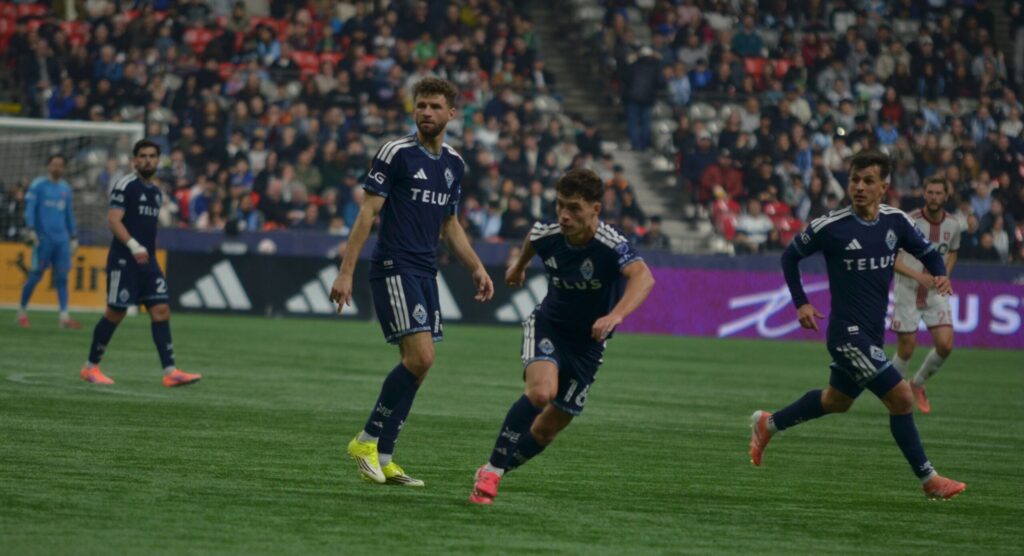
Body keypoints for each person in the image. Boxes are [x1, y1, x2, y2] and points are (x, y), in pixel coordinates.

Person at [749, 150, 966, 500]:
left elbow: (927, 252)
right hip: (846, 335)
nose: (860, 187)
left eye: (868, 181)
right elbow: (790, 257)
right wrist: (801, 302)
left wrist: (939, 274)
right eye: (854, 180)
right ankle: (929, 480)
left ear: (884, 186)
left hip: (871, 334)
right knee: (901, 396)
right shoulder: (830, 226)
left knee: (836, 401)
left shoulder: (895, 222)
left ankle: (768, 424)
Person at [329, 78, 494, 487]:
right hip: (394, 265)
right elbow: (367, 214)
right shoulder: (396, 153)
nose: (426, 112)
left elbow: (450, 224)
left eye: (435, 106)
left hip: (425, 270)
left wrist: (475, 265)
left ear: (452, 114)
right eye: (421, 105)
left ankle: (385, 457)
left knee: (418, 367)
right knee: (421, 359)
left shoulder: (454, 163)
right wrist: (346, 271)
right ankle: (366, 439)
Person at [468, 168, 656, 505]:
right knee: (542, 392)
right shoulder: (548, 233)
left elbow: (643, 278)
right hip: (549, 327)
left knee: (545, 430)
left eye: (574, 208)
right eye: (560, 206)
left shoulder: (611, 244)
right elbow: (532, 238)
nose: (564, 215)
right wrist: (519, 266)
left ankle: (492, 468)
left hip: (588, 347)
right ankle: (493, 472)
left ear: (595, 209)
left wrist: (616, 315)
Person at [80, 140, 202, 388]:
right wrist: (134, 246)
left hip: (148, 262)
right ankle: (90, 368)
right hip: (125, 260)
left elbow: (150, 229)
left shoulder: (156, 193)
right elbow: (113, 221)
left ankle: (170, 371)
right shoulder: (126, 185)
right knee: (116, 312)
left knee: (161, 310)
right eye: (143, 156)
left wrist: (148, 252)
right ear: (134, 160)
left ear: (158, 160)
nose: (148, 160)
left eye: (152, 156)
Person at [890, 177, 961, 413]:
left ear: (946, 196)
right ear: (924, 193)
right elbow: (892, 259)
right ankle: (893, 394)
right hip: (908, 291)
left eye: (938, 193)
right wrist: (918, 276)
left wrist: (944, 276)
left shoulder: (953, 225)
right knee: (907, 349)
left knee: (946, 345)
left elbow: (952, 251)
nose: (934, 197)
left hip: (934, 294)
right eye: (930, 192)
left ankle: (917, 384)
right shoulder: (908, 221)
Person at [18, 154, 80, 329]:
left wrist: (73, 236)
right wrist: (30, 228)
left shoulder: (66, 189)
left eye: (60, 165)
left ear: (64, 168)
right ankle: (22, 311)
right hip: (43, 240)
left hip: (61, 240)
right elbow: (30, 209)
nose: (57, 168)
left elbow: (69, 214)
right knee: (36, 275)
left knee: (62, 277)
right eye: (54, 164)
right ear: (48, 166)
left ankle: (64, 316)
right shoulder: (38, 185)